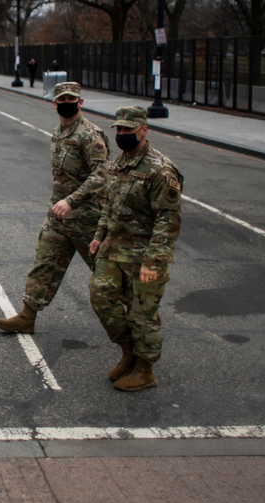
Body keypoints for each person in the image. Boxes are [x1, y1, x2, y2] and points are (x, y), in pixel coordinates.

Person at [0, 82, 110, 335]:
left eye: (72, 100)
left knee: (106, 273)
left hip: (87, 219)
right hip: (59, 217)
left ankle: (134, 319)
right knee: (44, 264)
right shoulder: (59, 132)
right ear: (55, 104)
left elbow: (102, 175)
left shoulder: (90, 135)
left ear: (80, 103)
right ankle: (27, 316)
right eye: (63, 100)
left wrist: (71, 200)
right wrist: (61, 204)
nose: (68, 103)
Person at [88, 107, 182, 392]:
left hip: (144, 256)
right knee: (101, 298)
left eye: (128, 130)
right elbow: (110, 203)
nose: (122, 134)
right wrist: (99, 235)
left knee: (142, 315)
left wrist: (154, 262)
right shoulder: (120, 162)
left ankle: (145, 369)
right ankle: (128, 352)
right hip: (113, 249)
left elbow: (168, 221)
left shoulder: (160, 170)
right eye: (118, 129)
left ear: (144, 130)